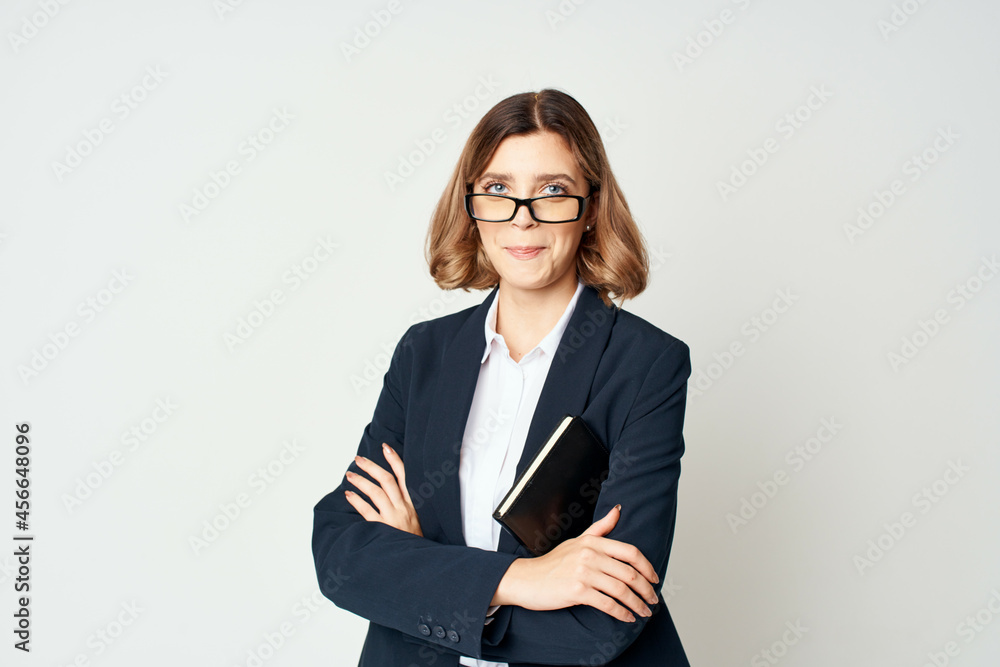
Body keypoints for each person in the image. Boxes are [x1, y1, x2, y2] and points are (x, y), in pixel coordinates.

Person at [312, 88, 692, 666]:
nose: (522, 217)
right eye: (498, 190)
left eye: (552, 191)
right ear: (471, 205)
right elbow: (342, 553)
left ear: (590, 207)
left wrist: (416, 570)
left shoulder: (646, 365)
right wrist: (523, 579)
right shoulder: (424, 354)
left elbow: (603, 621)